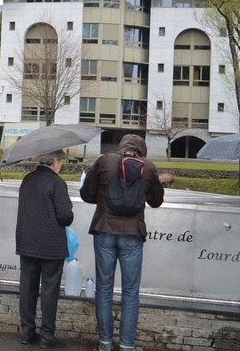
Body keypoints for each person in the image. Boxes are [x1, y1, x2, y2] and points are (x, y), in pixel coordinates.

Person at [79, 134, 163, 351]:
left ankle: (105, 344)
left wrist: (104, 196)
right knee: (130, 291)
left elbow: (87, 194)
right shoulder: (148, 167)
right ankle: (127, 346)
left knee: (104, 288)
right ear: (141, 150)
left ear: (121, 146)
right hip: (132, 234)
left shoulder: (105, 161)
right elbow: (156, 202)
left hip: (104, 230)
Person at [15, 149, 73, 348]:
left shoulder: (27, 179)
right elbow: (66, 216)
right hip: (50, 246)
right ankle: (47, 337)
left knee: (27, 288)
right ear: (55, 161)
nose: (61, 166)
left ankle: (27, 332)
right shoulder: (57, 182)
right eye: (61, 162)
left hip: (27, 243)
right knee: (49, 291)